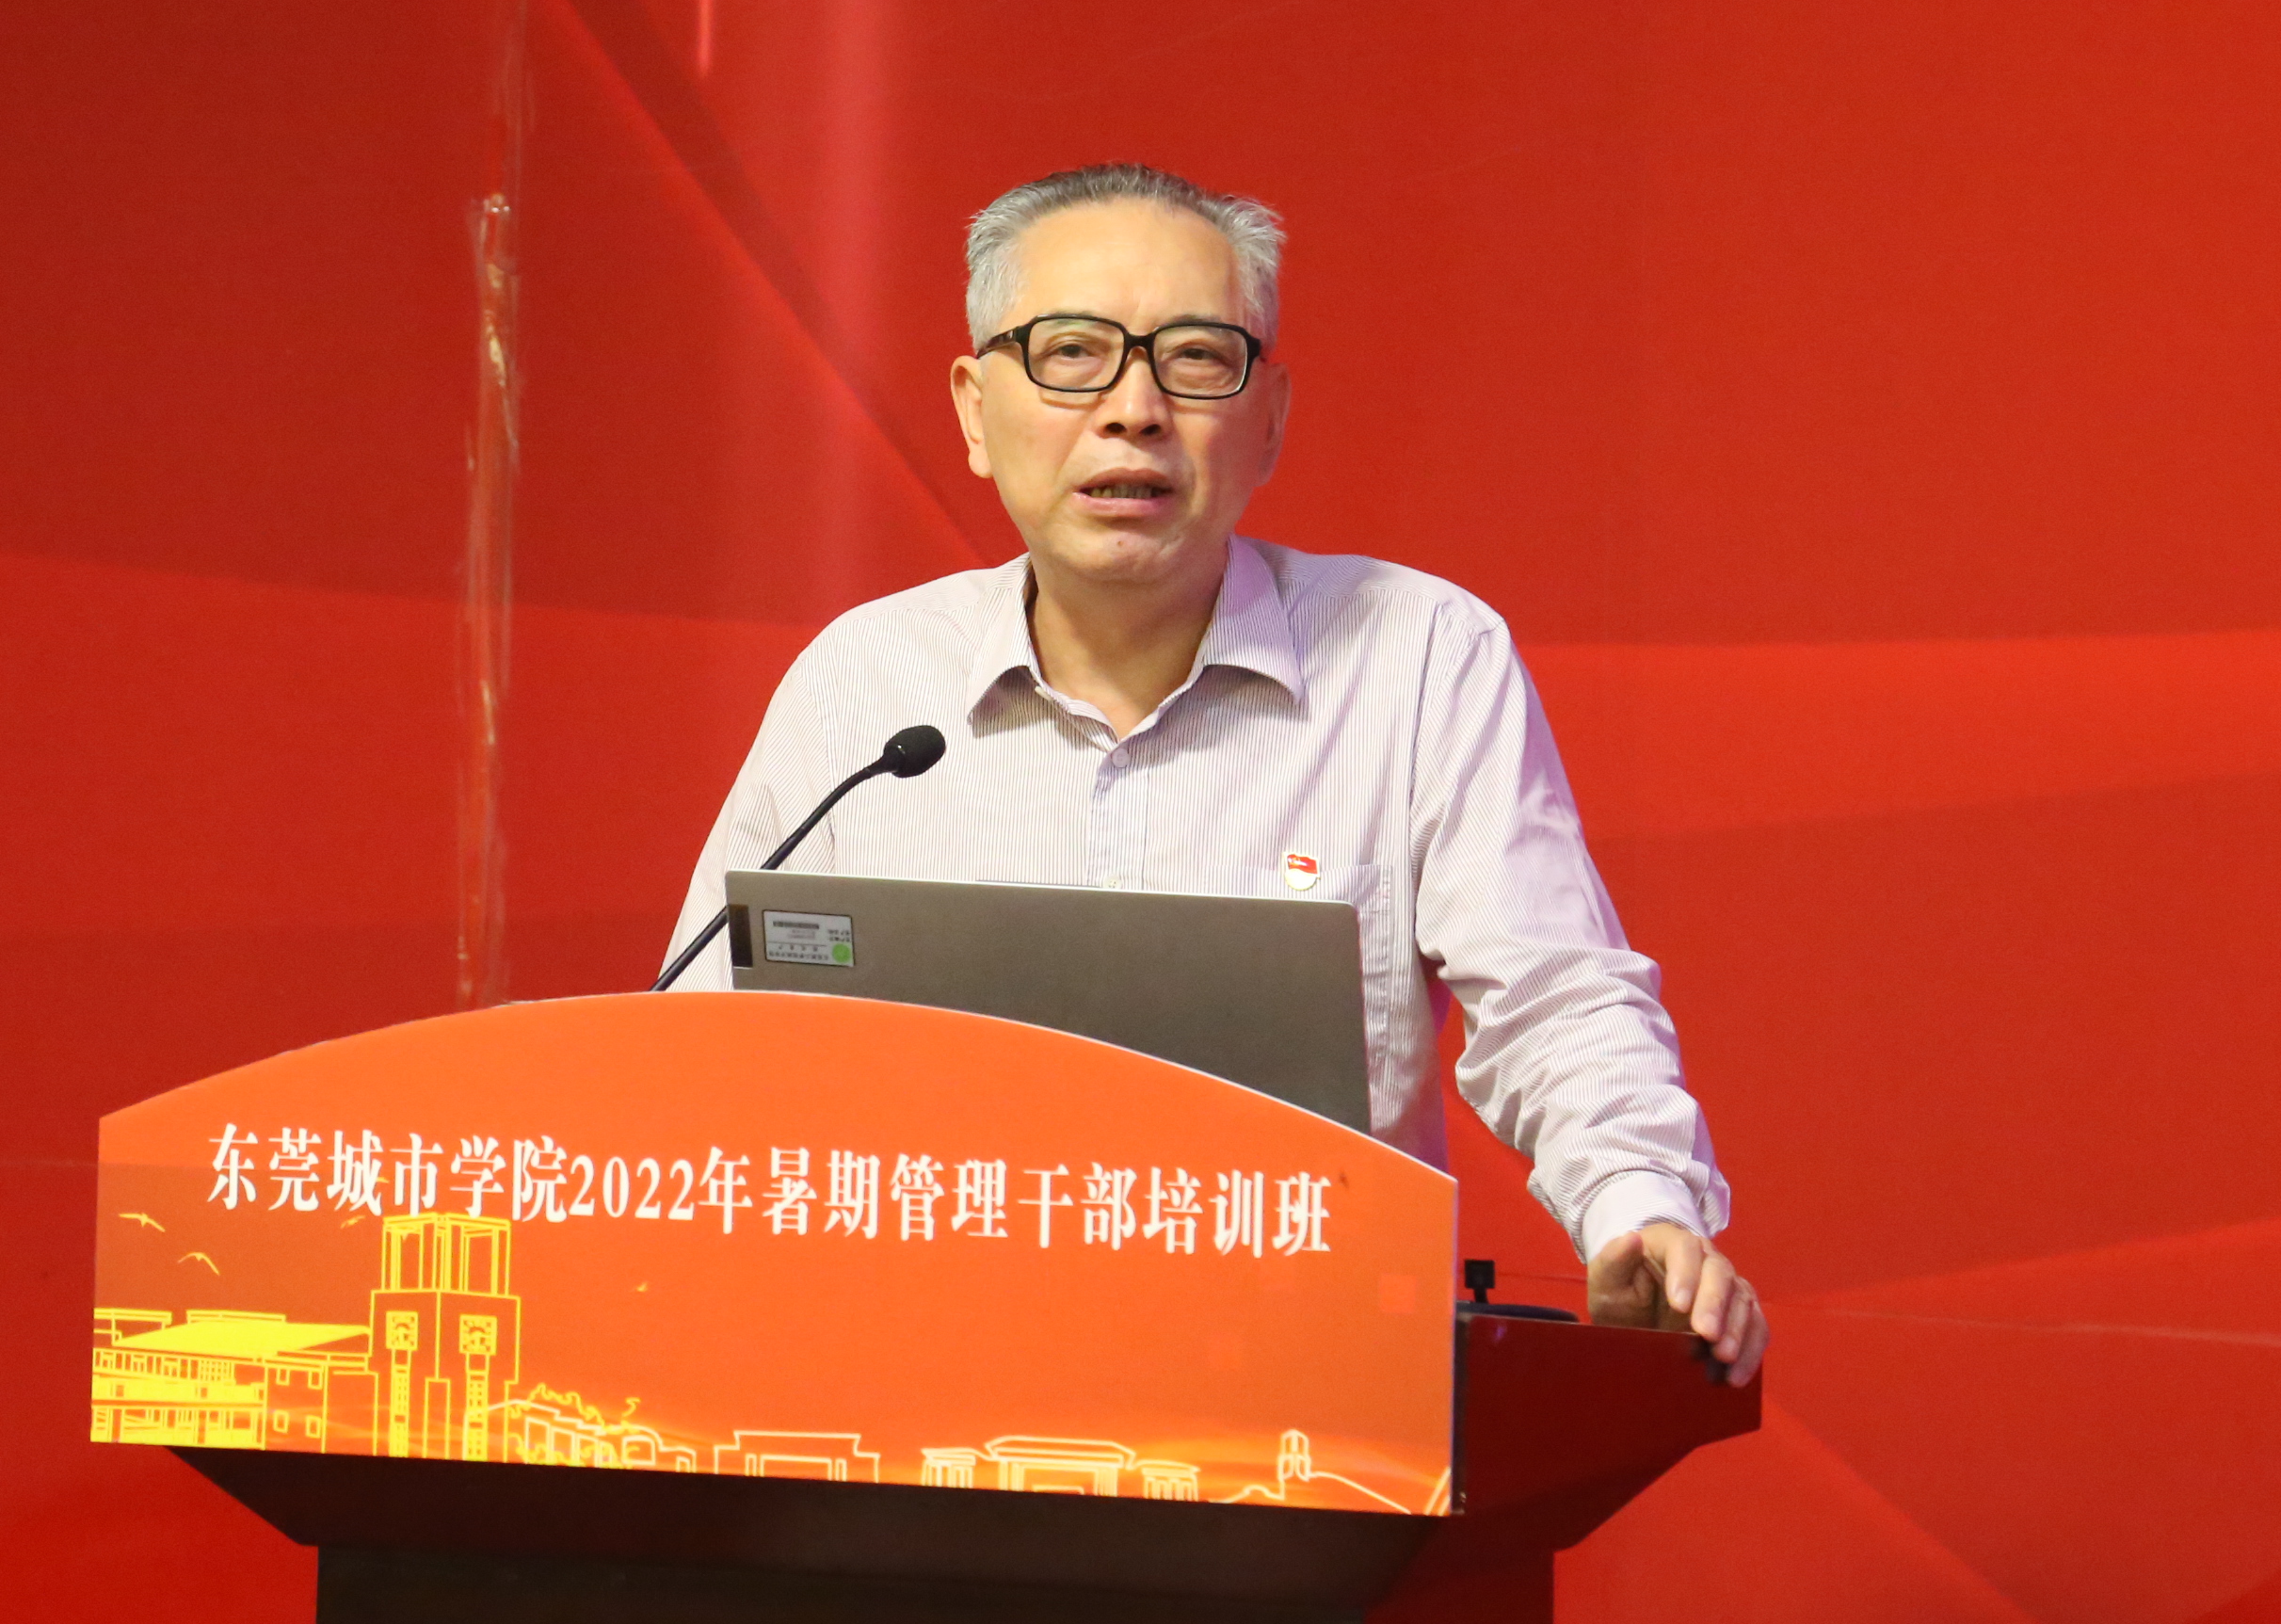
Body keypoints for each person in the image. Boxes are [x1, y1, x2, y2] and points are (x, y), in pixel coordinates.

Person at [663, 163, 1764, 1383]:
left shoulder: (1418, 658)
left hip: (1305, 1390)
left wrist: (1637, 1208)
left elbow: (1554, 995)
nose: (1133, 410)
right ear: (975, 411)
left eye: (1194, 359)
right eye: (1071, 354)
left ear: (1271, 417)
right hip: (911, 1381)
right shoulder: (866, 685)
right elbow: (707, 1050)